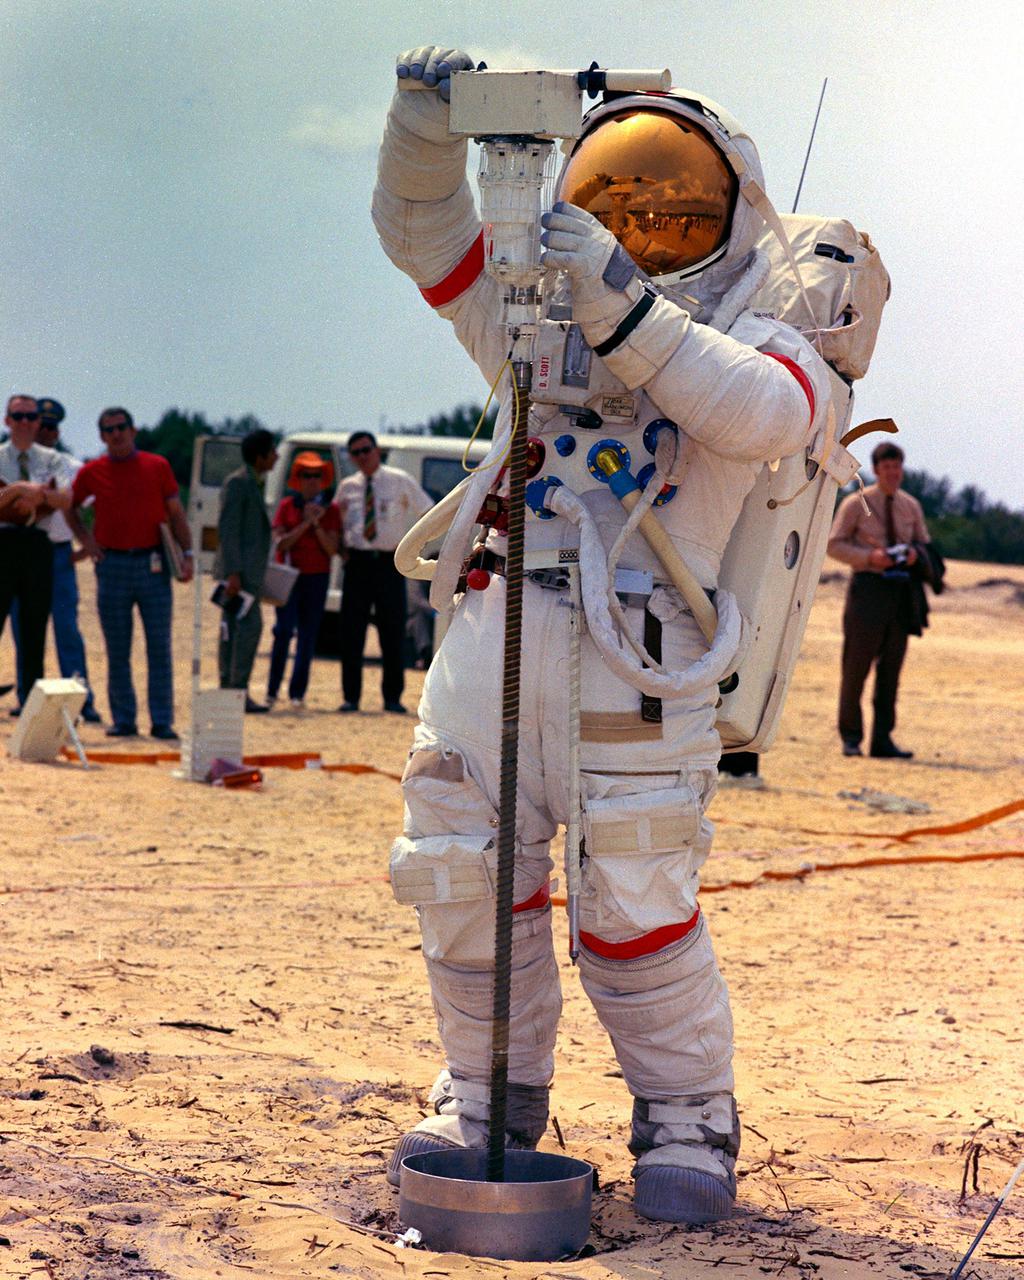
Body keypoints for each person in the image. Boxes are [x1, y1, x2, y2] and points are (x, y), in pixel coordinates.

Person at [372, 47, 834, 1224]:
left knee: (634, 900)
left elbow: (764, 415)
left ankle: (684, 1113)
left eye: (671, 195)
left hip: (639, 645)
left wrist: (624, 304)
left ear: (729, 204)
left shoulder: (766, 323)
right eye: (614, 190)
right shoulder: (528, 318)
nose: (641, 213)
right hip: (498, 625)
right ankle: (484, 1094)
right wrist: (424, 129)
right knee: (461, 874)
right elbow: (424, 235)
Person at [72, 407, 194, 738]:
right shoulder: (91, 472)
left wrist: (187, 553)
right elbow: (70, 506)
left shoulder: (157, 466)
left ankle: (162, 721)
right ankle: (124, 719)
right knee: (118, 648)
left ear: (134, 430)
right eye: (109, 429)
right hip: (111, 565)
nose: (116, 434)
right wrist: (86, 541)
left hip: (153, 564)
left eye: (121, 427)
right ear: (101, 436)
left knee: (159, 646)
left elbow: (176, 512)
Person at [827, 441, 931, 759]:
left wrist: (914, 555)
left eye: (897, 466)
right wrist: (870, 557)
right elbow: (834, 545)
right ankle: (851, 738)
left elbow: (926, 547)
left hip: (900, 597)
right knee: (855, 668)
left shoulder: (911, 506)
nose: (893, 473)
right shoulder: (856, 503)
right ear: (875, 470)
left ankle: (883, 740)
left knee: (891, 673)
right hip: (867, 592)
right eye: (886, 467)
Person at [11, 399, 101, 722]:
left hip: (57, 554)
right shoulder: (15, 463)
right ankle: (27, 699)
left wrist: (85, 547)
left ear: (57, 430)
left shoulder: (71, 466)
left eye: (49, 426)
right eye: (39, 425)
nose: (44, 431)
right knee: (24, 630)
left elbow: (91, 508)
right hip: (18, 553)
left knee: (67, 630)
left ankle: (80, 700)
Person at [336, 431, 431, 714]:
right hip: (357, 564)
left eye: (366, 450)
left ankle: (392, 697)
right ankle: (350, 697)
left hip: (389, 563)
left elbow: (427, 510)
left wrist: (413, 546)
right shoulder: (347, 487)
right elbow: (336, 523)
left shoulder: (399, 480)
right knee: (351, 632)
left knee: (392, 630)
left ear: (377, 450)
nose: (362, 457)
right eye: (356, 453)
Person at [0, 395, 74, 712]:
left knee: (34, 628)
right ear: (7, 421)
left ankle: (30, 704)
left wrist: (33, 497)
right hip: (1, 545)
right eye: (19, 416)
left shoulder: (54, 459)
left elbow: (65, 500)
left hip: (37, 547)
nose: (26, 422)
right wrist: (20, 490)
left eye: (31, 417)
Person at [266, 451, 341, 708]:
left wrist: (317, 524)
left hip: (317, 578)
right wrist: (306, 524)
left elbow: (332, 550)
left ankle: (297, 694)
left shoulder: (331, 511)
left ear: (323, 479)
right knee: (283, 631)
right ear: (298, 479)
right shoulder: (287, 506)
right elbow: (281, 543)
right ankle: (272, 690)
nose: (311, 480)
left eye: (316, 475)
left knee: (308, 636)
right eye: (306, 475)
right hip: (288, 578)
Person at [214, 428, 278, 712]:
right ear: (259, 455)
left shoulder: (254, 483)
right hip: (239, 576)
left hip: (247, 575)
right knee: (245, 629)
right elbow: (228, 530)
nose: (276, 457)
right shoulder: (238, 483)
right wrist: (233, 572)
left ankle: (232, 689)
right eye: (272, 451)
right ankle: (235, 690)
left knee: (234, 629)